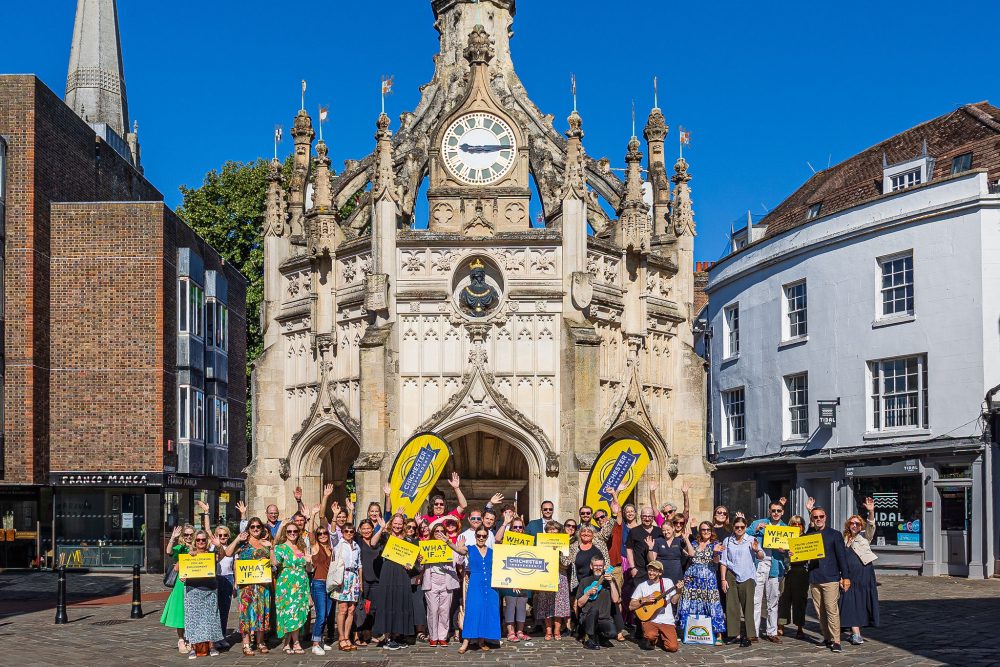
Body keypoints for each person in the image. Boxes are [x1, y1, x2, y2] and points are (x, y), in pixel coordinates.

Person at [444, 527, 500, 653]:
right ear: (475, 536)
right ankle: (466, 642)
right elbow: (459, 549)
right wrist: (448, 542)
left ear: (487, 537)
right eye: (479, 535)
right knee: (473, 610)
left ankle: (481, 640)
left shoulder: (492, 551)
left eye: (484, 536)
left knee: (487, 610)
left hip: (491, 584)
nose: (481, 538)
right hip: (475, 583)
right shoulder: (470, 548)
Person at [805, 505, 851, 654]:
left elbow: (842, 558)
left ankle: (836, 641)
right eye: (815, 517)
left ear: (826, 517)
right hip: (814, 577)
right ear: (811, 519)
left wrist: (846, 577)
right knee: (820, 612)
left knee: (831, 610)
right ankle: (827, 637)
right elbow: (800, 552)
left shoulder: (835, 534)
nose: (818, 519)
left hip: (831, 578)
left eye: (821, 517)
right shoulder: (808, 534)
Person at [227, 517, 273, 655]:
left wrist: (271, 548)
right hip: (246, 586)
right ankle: (246, 643)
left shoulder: (265, 543)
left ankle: (260, 641)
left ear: (262, 528)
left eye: (258, 526)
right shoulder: (243, 544)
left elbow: (274, 563)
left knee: (261, 612)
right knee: (246, 613)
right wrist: (237, 540)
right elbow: (228, 553)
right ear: (248, 529)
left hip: (262, 585)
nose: (255, 529)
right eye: (252, 527)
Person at [370, 512, 415, 650]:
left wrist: (410, 563)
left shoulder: (407, 539)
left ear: (403, 525)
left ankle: (397, 635)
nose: (397, 526)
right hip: (388, 570)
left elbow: (410, 559)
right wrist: (381, 528)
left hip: (402, 572)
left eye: (400, 524)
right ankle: (387, 637)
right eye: (395, 523)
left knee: (400, 602)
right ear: (391, 523)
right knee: (388, 602)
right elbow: (372, 543)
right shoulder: (385, 535)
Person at [677, 521, 726, 643]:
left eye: (708, 530)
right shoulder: (694, 543)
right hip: (692, 578)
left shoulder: (715, 544)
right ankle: (687, 631)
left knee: (712, 604)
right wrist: (687, 539)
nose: (706, 532)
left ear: (711, 531)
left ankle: (718, 634)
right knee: (689, 603)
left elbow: (716, 561)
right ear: (700, 531)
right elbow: (692, 555)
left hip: (708, 579)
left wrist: (715, 552)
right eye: (703, 530)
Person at [195, 500, 234, 651]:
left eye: (224, 535)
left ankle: (222, 636)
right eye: (219, 535)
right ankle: (213, 637)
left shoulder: (230, 548)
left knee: (224, 609)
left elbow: (235, 566)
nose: (222, 537)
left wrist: (236, 583)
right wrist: (206, 512)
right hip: (215, 579)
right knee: (213, 609)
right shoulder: (213, 545)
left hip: (228, 579)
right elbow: (206, 529)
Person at [720, 516, 764, 647]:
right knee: (732, 606)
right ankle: (735, 635)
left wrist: (756, 550)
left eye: (742, 527)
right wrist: (723, 579)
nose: (739, 529)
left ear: (746, 528)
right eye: (737, 527)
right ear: (733, 527)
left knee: (748, 606)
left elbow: (761, 556)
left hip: (747, 575)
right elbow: (723, 561)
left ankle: (749, 635)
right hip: (731, 575)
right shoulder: (727, 541)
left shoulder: (751, 539)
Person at [748, 500, 788, 642]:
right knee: (756, 600)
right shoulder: (760, 522)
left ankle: (772, 631)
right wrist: (756, 530)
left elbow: (791, 551)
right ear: (769, 511)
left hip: (775, 565)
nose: (776, 513)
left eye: (778, 511)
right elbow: (745, 535)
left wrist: (785, 551)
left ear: (782, 512)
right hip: (759, 563)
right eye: (773, 510)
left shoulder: (785, 528)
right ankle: (754, 631)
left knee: (773, 601)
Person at [181, 529, 225, 659]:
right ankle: (193, 648)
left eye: (203, 540)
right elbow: (177, 568)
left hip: (209, 589)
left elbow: (223, 555)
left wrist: (218, 545)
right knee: (192, 619)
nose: (201, 542)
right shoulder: (190, 554)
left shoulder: (212, 554)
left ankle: (212, 646)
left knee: (210, 619)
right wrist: (182, 574)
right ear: (195, 541)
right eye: (198, 540)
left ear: (207, 542)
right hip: (192, 590)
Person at [840, 509, 879, 645]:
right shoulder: (843, 538)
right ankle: (855, 632)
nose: (855, 525)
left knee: (861, 601)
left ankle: (856, 633)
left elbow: (871, 526)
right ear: (848, 525)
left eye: (857, 523)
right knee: (849, 600)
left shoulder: (864, 537)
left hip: (864, 573)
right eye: (852, 523)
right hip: (849, 574)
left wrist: (871, 511)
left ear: (861, 526)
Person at [272, 521, 312, 654]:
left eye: (295, 531)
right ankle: (296, 642)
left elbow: (308, 569)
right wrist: (272, 548)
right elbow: (275, 563)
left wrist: (309, 561)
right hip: (286, 585)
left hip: (301, 584)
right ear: (285, 533)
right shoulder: (281, 548)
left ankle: (287, 642)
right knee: (289, 612)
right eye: (289, 531)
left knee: (297, 612)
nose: (292, 534)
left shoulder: (302, 547)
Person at [629, 559, 683, 652]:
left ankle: (659, 639)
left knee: (673, 647)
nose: (651, 572)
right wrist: (644, 600)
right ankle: (652, 639)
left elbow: (674, 601)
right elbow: (631, 606)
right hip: (650, 620)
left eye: (654, 570)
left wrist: (679, 591)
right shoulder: (642, 586)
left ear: (660, 573)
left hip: (666, 621)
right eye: (650, 570)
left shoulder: (667, 582)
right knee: (650, 635)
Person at [421, 521, 461, 646]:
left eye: (441, 531)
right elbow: (421, 566)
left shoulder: (450, 545)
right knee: (433, 610)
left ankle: (442, 636)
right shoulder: (427, 546)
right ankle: (433, 636)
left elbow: (459, 559)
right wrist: (420, 560)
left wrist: (457, 547)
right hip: (432, 580)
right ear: (433, 533)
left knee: (444, 610)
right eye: (436, 531)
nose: (439, 533)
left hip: (447, 579)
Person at [495, 510, 530, 642]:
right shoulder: (506, 539)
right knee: (510, 604)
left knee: (522, 604)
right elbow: (497, 539)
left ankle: (520, 631)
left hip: (524, 576)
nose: (517, 529)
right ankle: (510, 632)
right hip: (508, 576)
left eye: (520, 527)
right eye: (515, 527)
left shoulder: (527, 541)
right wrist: (505, 523)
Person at [533, 520, 570, 640]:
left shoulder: (564, 545)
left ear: (559, 532)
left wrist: (558, 553)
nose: (552, 531)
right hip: (545, 575)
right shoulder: (541, 543)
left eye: (555, 529)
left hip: (560, 576)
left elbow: (566, 564)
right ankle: (548, 631)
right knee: (545, 604)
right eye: (550, 529)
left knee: (559, 604)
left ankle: (557, 631)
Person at [161, 524, 195, 653]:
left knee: (192, 611)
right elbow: (169, 551)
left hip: (195, 582)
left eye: (191, 534)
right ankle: (181, 639)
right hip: (181, 583)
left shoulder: (198, 546)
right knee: (181, 611)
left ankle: (191, 637)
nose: (188, 537)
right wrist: (172, 538)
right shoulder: (179, 548)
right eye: (186, 534)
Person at [330, 522, 362, 652]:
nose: (349, 533)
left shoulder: (356, 546)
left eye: (351, 531)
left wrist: (360, 582)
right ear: (342, 532)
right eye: (346, 531)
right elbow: (332, 533)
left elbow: (359, 564)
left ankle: (347, 637)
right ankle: (341, 638)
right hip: (342, 576)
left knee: (351, 609)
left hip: (353, 577)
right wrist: (334, 517)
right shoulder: (338, 543)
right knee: (342, 609)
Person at [576, 555, 620, 650]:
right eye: (595, 565)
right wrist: (587, 594)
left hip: (604, 618)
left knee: (612, 633)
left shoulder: (610, 581)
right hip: (587, 617)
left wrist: (611, 583)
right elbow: (579, 604)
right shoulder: (585, 581)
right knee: (594, 610)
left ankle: (599, 637)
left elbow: (616, 600)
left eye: (600, 565)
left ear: (604, 567)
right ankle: (589, 640)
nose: (598, 568)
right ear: (591, 566)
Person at [777, 514, 809, 639]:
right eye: (794, 524)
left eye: (799, 524)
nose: (797, 526)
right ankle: (781, 625)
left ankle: (800, 626)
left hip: (801, 572)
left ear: (802, 526)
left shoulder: (806, 538)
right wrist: (784, 551)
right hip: (787, 571)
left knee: (800, 600)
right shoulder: (785, 537)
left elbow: (811, 553)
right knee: (784, 599)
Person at [308, 517, 334, 655]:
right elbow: (311, 535)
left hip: (330, 584)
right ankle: (315, 643)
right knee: (321, 614)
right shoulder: (316, 546)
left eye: (325, 533)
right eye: (320, 534)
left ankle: (321, 639)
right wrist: (312, 516)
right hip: (318, 583)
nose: (323, 535)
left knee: (327, 614)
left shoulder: (331, 548)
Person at [353, 519, 380, 646]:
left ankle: (368, 634)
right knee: (360, 608)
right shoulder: (357, 540)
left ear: (373, 529)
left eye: (368, 528)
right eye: (363, 528)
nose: (366, 531)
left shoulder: (378, 540)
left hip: (376, 579)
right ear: (359, 530)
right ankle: (357, 635)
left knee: (373, 609)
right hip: (363, 580)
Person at [646, 520, 685, 589]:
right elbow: (652, 561)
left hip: (676, 574)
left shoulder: (679, 541)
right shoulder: (658, 541)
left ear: (673, 528)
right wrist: (650, 548)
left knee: (676, 596)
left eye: (668, 530)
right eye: (663, 530)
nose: (666, 532)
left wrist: (687, 540)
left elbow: (690, 554)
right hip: (662, 574)